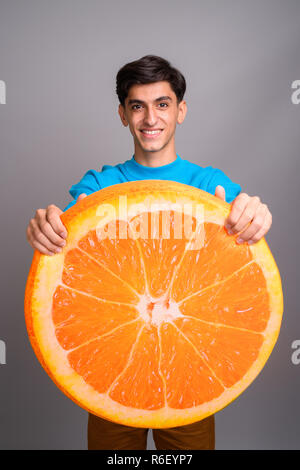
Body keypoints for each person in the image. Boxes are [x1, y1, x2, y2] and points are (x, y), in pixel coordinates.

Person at [26, 55, 272, 450]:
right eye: (137, 106)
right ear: (123, 115)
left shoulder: (210, 185)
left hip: (190, 369)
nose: (150, 118)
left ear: (181, 111)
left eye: (162, 104)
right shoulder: (99, 186)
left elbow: (244, 225)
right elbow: (69, 250)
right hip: (114, 366)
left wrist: (255, 215)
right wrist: (46, 229)